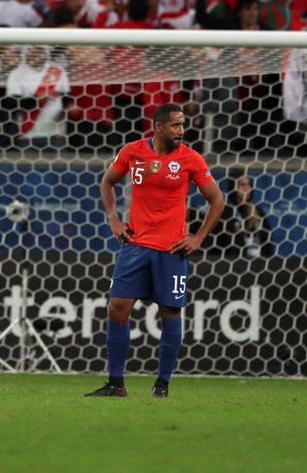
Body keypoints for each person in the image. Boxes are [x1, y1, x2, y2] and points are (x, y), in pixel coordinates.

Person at [86, 103, 224, 399]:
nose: (181, 130)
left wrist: (198, 238)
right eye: (176, 125)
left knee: (170, 312)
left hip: (171, 250)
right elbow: (107, 181)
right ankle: (116, 384)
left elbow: (217, 200)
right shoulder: (132, 151)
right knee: (116, 309)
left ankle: (162, 385)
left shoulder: (191, 159)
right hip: (135, 246)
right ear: (158, 126)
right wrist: (113, 218)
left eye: (183, 124)